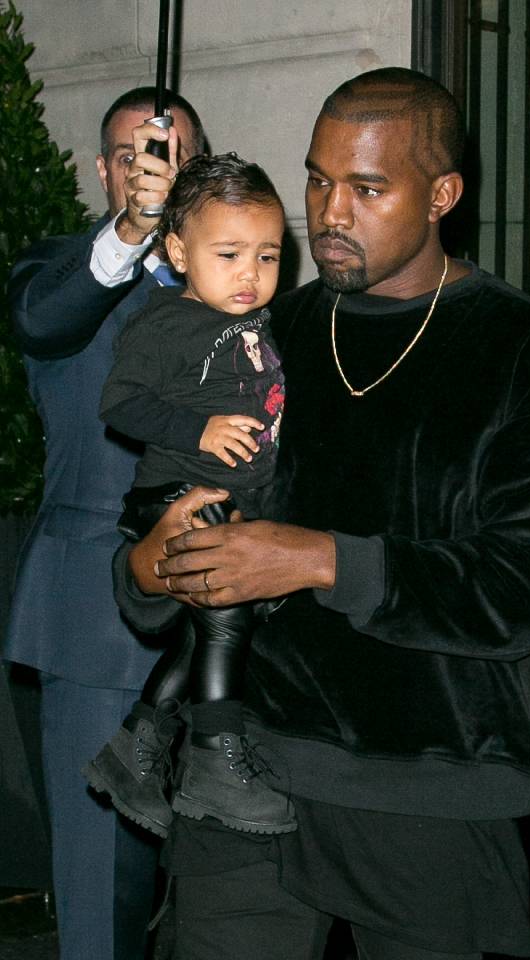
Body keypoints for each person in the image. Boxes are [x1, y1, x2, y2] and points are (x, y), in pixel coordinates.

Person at [114, 68, 530, 960]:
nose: (330, 212)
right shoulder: (265, 334)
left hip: (433, 781)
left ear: (443, 195)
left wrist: (321, 560)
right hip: (245, 769)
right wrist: (150, 563)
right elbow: (158, 512)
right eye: (317, 179)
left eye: (367, 188)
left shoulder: (523, 352)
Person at [3, 87, 204, 960]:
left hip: (224, 617)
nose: (149, 168)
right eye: (130, 154)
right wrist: (130, 231)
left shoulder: (239, 271)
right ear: (103, 170)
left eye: (168, 153)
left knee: (212, 882)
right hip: (96, 623)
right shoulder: (64, 268)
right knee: (103, 883)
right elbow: (43, 323)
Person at [83, 152, 294, 840]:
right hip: (176, 494)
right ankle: (213, 763)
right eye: (229, 253)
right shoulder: (164, 323)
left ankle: (134, 750)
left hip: (230, 499)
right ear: (177, 250)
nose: (250, 273)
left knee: (205, 638)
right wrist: (197, 429)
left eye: (268, 255)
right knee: (225, 619)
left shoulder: (266, 321)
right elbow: (118, 404)